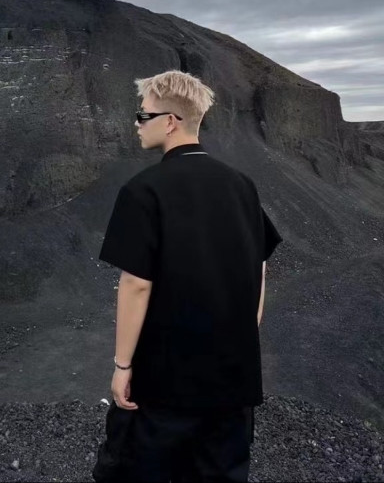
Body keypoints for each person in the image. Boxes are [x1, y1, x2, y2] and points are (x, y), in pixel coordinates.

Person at [92, 70, 283, 483]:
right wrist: (244, 331)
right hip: (233, 380)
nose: (137, 123)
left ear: (170, 122)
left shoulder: (143, 190)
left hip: (165, 382)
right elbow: (260, 262)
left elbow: (136, 284)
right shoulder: (241, 186)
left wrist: (122, 366)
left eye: (143, 115)